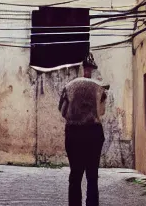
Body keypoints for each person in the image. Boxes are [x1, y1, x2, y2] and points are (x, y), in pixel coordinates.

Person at [58, 53, 108, 206]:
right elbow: (102, 112)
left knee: (75, 174)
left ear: (81, 68)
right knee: (92, 175)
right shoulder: (99, 88)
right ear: (92, 69)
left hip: (74, 133)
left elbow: (62, 110)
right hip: (93, 132)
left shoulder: (69, 86)